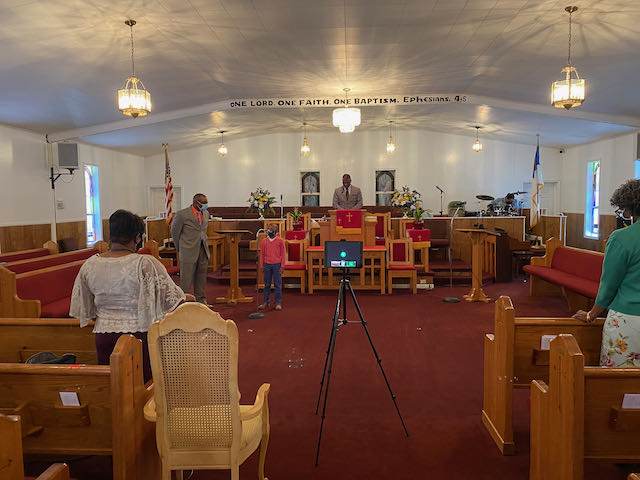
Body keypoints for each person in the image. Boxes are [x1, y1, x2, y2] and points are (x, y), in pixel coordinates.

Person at [70, 210, 192, 381]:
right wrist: (188, 298)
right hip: (139, 336)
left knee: (113, 385)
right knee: (144, 386)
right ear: (137, 237)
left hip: (104, 336)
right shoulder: (144, 263)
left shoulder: (90, 264)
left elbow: (85, 307)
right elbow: (171, 300)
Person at [573, 179, 640, 367]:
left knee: (619, 380)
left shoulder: (622, 238)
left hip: (629, 318)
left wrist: (591, 314)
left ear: (628, 210)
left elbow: (609, 284)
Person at [171, 193, 210, 304]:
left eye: (206, 203)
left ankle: (201, 300)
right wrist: (180, 247)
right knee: (186, 278)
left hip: (202, 248)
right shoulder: (182, 214)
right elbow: (174, 232)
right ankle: (184, 301)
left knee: (201, 276)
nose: (205, 205)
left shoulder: (206, 213)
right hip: (187, 249)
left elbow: (202, 230)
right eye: (203, 203)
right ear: (196, 203)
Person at [259, 223, 285, 311]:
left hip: (277, 264)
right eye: (268, 229)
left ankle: (278, 302)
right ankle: (266, 301)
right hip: (267, 264)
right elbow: (262, 254)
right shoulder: (264, 241)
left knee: (277, 285)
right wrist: (261, 265)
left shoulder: (280, 241)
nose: (269, 231)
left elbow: (283, 254)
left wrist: (282, 266)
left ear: (275, 231)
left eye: (271, 230)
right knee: (267, 285)